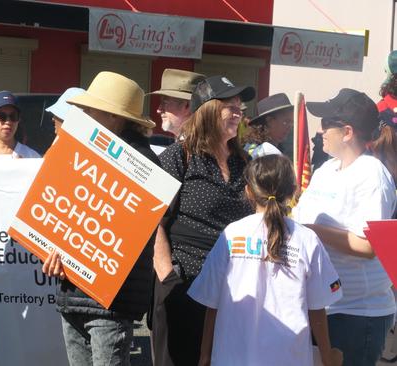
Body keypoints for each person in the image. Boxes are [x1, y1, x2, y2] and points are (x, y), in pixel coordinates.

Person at [41, 71, 159, 366]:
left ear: (113, 117)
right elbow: (64, 212)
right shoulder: (77, 149)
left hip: (111, 302)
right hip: (73, 293)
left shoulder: (146, 166)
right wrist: (52, 249)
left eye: (90, 109)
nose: (82, 114)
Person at [188, 154, 343, 366]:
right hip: (290, 357)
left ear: (248, 192)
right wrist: (326, 355)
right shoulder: (307, 238)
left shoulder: (232, 234)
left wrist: (205, 355)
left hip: (231, 357)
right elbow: (317, 307)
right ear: (293, 191)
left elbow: (211, 303)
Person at [152, 75, 256, 366]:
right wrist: (167, 275)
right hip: (186, 286)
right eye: (229, 105)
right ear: (208, 109)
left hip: (234, 292)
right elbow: (152, 220)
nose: (238, 112)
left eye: (239, 106)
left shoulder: (245, 163)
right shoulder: (179, 157)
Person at [293, 88, 397, 366]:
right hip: (322, 305)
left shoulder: (372, 175)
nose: (320, 129)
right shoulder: (327, 169)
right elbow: (300, 216)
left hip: (357, 313)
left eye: (326, 123)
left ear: (348, 132)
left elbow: (368, 246)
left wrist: (311, 230)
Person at [149, 68, 205, 139]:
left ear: (187, 106)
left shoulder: (199, 146)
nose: (159, 110)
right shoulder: (194, 143)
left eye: (165, 103)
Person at [242, 93, 293, 158]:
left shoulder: (250, 146)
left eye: (292, 122)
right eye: (286, 122)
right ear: (270, 121)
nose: (290, 127)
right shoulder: (268, 152)